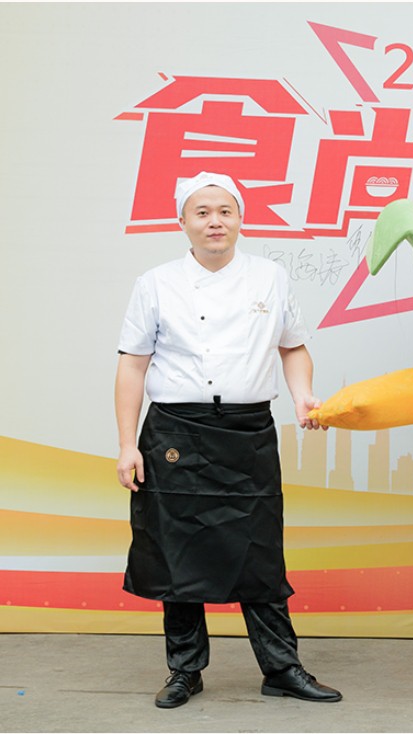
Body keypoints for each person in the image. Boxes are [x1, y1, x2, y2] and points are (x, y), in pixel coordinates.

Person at [114, 171, 341, 709]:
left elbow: (293, 347)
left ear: (239, 218)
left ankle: (282, 668)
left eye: (225, 211)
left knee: (260, 554)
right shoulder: (156, 282)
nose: (215, 221)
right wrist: (127, 445)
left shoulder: (270, 277)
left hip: (248, 431)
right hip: (175, 432)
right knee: (176, 554)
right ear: (183, 222)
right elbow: (133, 364)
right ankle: (184, 671)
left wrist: (302, 395)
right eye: (202, 212)